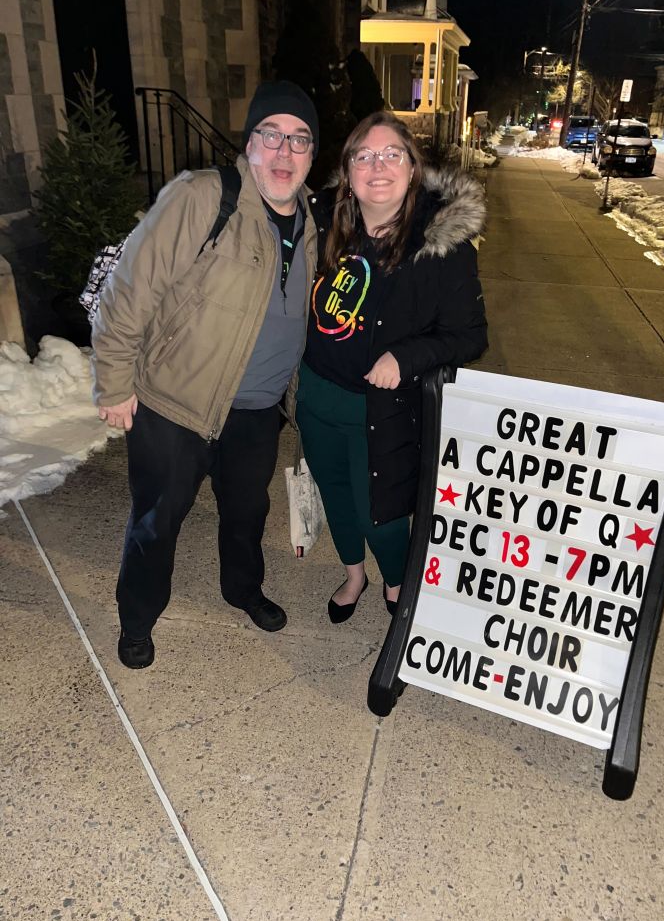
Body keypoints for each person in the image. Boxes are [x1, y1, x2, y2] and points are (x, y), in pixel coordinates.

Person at [91, 80, 319, 669]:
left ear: (311, 154)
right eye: (272, 136)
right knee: (156, 520)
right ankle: (137, 619)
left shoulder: (312, 223)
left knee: (247, 514)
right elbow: (129, 289)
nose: (284, 153)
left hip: (256, 411)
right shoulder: (203, 196)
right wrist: (114, 382)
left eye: (299, 140)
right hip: (176, 403)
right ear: (250, 145)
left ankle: (242, 589)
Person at [299, 110, 488, 623]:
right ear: (348, 169)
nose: (377, 166)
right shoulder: (324, 222)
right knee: (335, 494)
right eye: (364, 155)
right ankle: (353, 573)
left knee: (379, 513)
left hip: (381, 410)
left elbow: (470, 335)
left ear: (412, 168)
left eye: (391, 155)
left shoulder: (441, 245)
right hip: (317, 395)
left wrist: (405, 357)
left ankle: (397, 578)